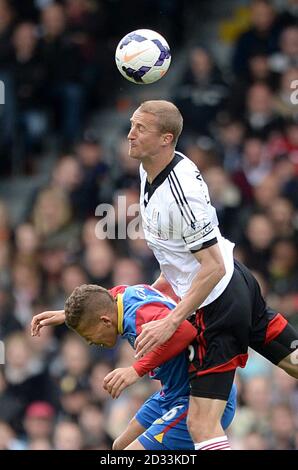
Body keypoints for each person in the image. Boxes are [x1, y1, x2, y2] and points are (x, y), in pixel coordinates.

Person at [127, 99, 298, 450]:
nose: (130, 134)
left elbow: (212, 266)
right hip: (233, 286)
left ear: (166, 139)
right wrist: (152, 289)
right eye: (131, 124)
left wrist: (172, 320)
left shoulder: (181, 194)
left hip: (218, 303)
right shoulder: (149, 169)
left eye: (140, 128)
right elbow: (178, 259)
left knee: (201, 423)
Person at [31, 283, 237, 450]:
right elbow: (102, 298)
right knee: (119, 446)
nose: (90, 342)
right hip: (173, 394)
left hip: (202, 397)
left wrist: (136, 370)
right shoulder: (123, 296)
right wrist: (68, 315)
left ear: (104, 321)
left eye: (87, 335)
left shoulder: (136, 319)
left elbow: (185, 331)